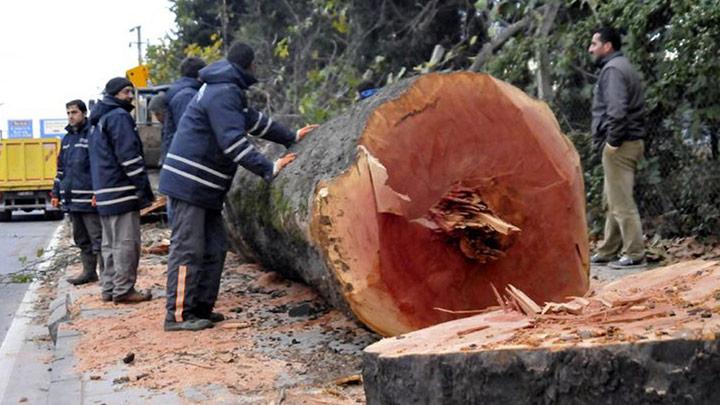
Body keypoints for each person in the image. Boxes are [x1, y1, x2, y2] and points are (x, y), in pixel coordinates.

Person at [159, 41, 317, 331]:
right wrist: (269, 167)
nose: (255, 69)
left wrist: (290, 136)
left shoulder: (227, 89)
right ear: (248, 65)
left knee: (215, 247)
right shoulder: (222, 90)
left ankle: (200, 309)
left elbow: (250, 120)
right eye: (254, 65)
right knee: (188, 249)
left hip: (205, 187)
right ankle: (178, 315)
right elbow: (232, 142)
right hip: (189, 184)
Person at [88, 77, 155, 303]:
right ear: (115, 94)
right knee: (127, 242)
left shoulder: (97, 120)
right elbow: (129, 156)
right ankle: (125, 289)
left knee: (109, 244)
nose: (130, 97)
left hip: (104, 191)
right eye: (127, 92)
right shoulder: (118, 117)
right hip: (121, 190)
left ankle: (109, 288)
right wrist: (143, 190)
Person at [587, 27, 646, 269]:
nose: (591, 49)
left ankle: (634, 253)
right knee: (612, 198)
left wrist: (612, 142)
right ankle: (608, 250)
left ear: (607, 46)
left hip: (621, 145)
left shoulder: (612, 70)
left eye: (594, 44)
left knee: (621, 202)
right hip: (627, 142)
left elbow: (617, 111)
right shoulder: (621, 66)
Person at [52, 100, 103, 285]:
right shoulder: (67, 139)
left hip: (89, 199)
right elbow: (61, 169)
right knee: (81, 239)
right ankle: (89, 273)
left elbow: (99, 166)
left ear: (83, 113)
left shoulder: (92, 134)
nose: (70, 116)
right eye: (68, 113)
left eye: (74, 112)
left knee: (98, 239)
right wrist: (56, 193)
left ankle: (108, 277)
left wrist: (99, 192)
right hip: (71, 200)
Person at [160, 57, 206, 223]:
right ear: (200, 75)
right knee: (183, 222)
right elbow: (189, 132)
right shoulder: (187, 96)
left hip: (175, 161)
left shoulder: (180, 92)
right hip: (182, 165)